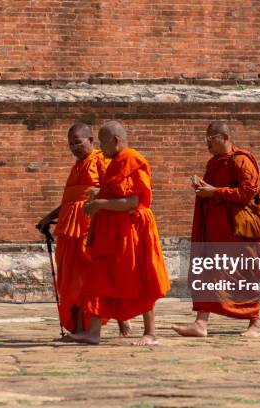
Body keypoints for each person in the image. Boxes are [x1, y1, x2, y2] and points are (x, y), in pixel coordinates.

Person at [69, 121, 171, 345]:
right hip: (111, 232)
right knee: (99, 276)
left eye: (103, 143)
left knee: (140, 276)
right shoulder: (114, 162)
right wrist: (100, 194)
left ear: (115, 141)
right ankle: (93, 332)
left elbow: (134, 201)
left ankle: (150, 332)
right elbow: (117, 191)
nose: (101, 149)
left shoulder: (133, 160)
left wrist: (100, 204)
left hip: (133, 230)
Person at [172, 121, 260, 338]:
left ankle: (254, 324)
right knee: (208, 273)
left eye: (211, 139)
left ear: (224, 138)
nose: (207, 143)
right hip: (216, 231)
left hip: (239, 233)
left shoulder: (241, 161)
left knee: (244, 275)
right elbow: (215, 192)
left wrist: (215, 191)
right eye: (206, 139)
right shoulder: (215, 162)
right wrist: (203, 189)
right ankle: (200, 323)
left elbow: (249, 192)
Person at [37, 122, 130, 337]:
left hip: (91, 227)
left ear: (91, 141)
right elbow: (70, 200)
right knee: (72, 280)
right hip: (69, 230)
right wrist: (49, 217)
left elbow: (113, 191)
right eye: (70, 144)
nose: (74, 148)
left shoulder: (100, 161)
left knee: (97, 277)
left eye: (78, 143)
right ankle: (78, 327)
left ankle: (121, 319)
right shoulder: (76, 167)